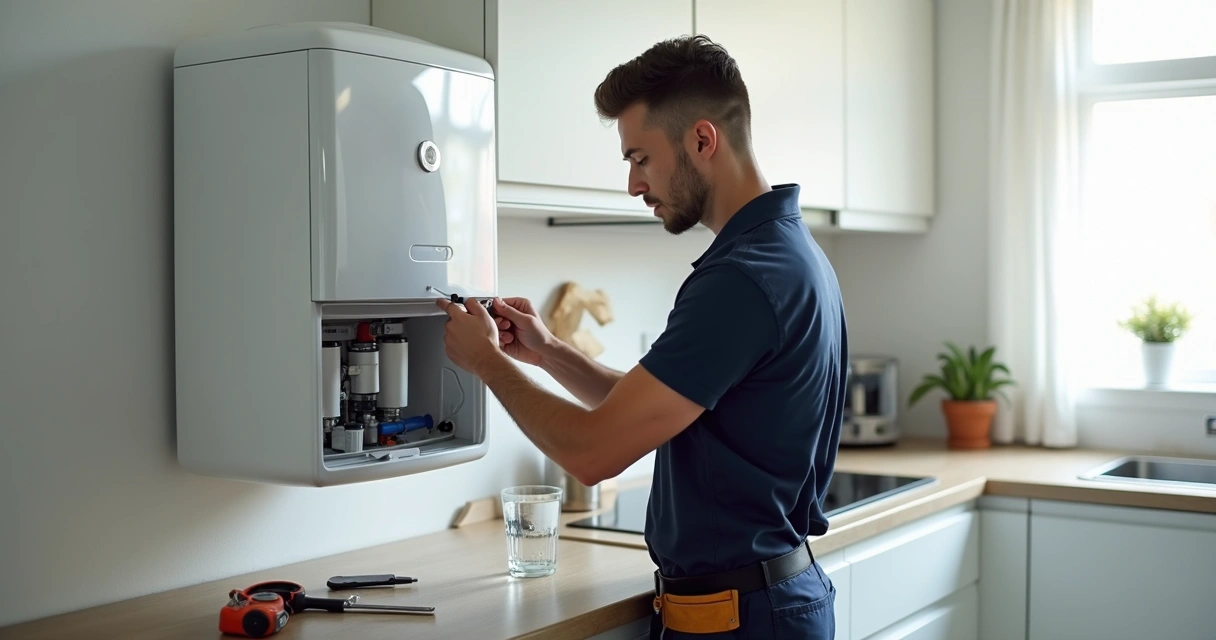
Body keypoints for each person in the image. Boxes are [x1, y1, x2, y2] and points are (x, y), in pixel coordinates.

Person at [438, 35, 848, 639]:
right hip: (765, 602)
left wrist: (489, 367)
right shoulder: (784, 252)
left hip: (743, 619)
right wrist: (548, 352)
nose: (633, 183)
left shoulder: (740, 280)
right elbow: (658, 407)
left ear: (702, 140)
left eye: (640, 158)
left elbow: (593, 454)